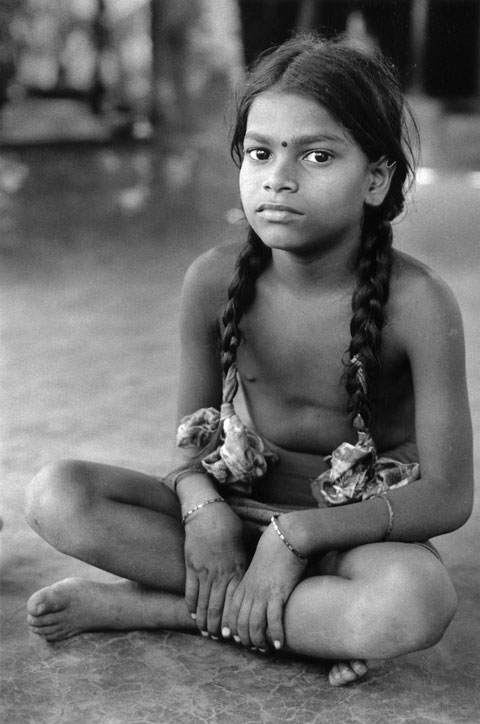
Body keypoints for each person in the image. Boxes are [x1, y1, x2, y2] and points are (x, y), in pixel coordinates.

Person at [25, 33, 473, 687]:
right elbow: (190, 444)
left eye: (318, 155)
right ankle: (297, 624)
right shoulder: (212, 280)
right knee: (58, 495)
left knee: (414, 603)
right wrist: (203, 510)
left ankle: (168, 609)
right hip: (233, 524)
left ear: (376, 178)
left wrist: (298, 539)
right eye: (260, 153)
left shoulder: (419, 303)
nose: (279, 178)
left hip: (349, 538)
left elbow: (450, 495)